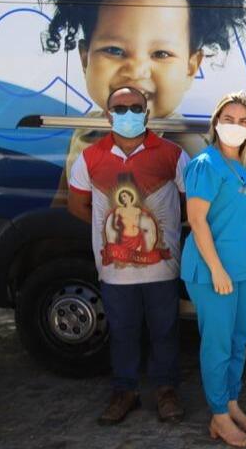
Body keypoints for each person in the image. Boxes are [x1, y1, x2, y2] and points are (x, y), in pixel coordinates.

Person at [42, 0, 246, 202]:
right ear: (85, 58)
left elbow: (199, 214)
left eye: (161, 54)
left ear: (191, 66)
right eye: (114, 50)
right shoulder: (87, 130)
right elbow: (62, 205)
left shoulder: (185, 146)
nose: (136, 70)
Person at [67, 87, 188, 426]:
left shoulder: (173, 154)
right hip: (115, 270)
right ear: (108, 115)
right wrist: (111, 233)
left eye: (136, 107)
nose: (128, 114)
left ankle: (166, 391)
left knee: (165, 330)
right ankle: (125, 391)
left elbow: (189, 202)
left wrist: (159, 232)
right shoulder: (90, 157)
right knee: (122, 331)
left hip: (162, 268)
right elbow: (77, 205)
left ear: (147, 114)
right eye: (120, 108)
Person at [181, 92, 246, 448]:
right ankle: (218, 414)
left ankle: (231, 402)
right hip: (213, 272)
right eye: (229, 119)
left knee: (238, 341)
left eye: (243, 121)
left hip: (245, 271)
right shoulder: (206, 164)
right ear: (216, 122)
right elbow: (197, 220)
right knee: (217, 344)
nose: (236, 126)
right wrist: (217, 270)